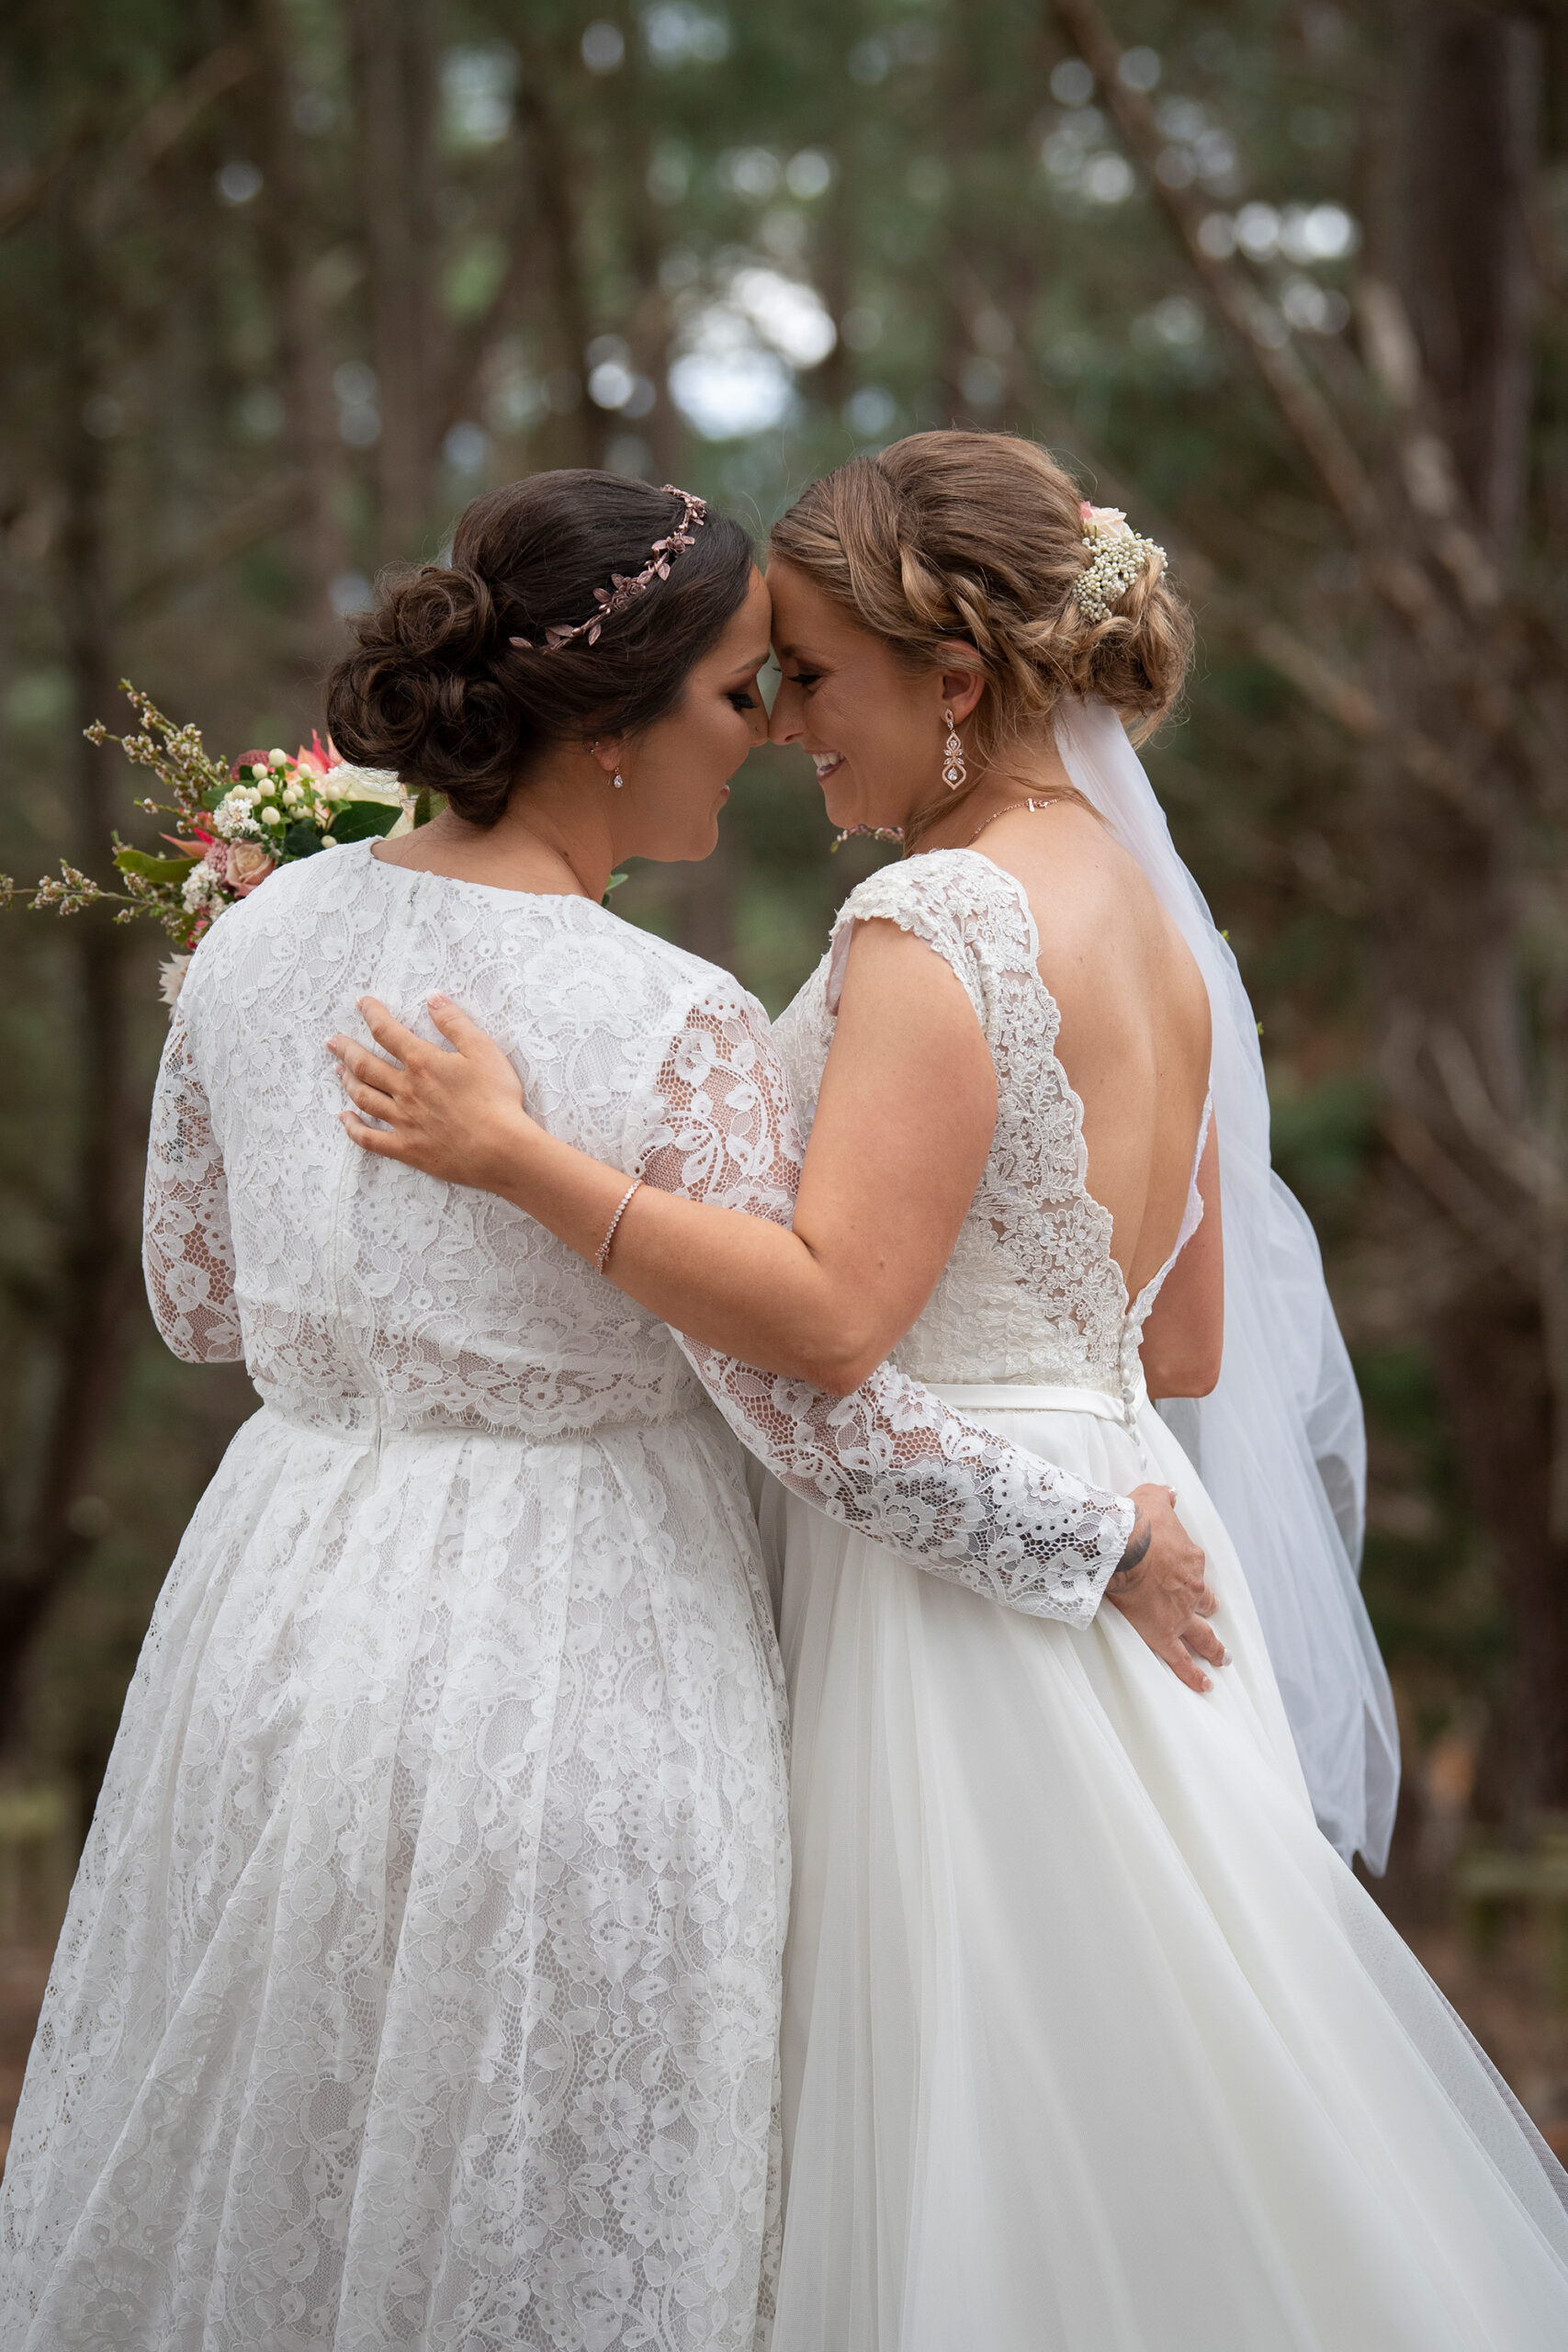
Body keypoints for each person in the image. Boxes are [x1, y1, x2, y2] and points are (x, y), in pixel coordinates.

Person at [333, 435, 1568, 2349]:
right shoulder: (1162, 927)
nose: (777, 724)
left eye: (808, 675)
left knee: (981, 2145)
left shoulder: (936, 921)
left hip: (961, 1598)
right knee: (1162, 2121)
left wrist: (518, 1156)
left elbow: (827, 1315)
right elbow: (1178, 1347)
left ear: (956, 681)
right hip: (1132, 1511)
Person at [0, 471, 1203, 2352]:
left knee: (274, 2163)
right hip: (579, 1645)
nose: (768, 735)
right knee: (540, 2202)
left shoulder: (247, 939)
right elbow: (810, 1410)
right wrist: (1088, 1533)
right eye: (739, 695)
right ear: (615, 726)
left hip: (276, 1607)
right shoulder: (672, 1013)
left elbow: (194, 1299)